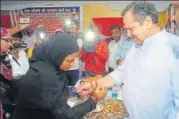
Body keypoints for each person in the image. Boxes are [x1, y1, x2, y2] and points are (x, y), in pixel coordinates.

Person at [77, 1, 179, 119]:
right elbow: (121, 73)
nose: (128, 35)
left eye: (131, 29)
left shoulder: (174, 48)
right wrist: (95, 84)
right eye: (126, 30)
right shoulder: (137, 46)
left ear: (147, 22)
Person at [12, 33, 106, 119]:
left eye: (74, 60)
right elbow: (65, 115)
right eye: (69, 61)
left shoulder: (47, 65)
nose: (72, 64)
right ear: (57, 55)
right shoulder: (46, 77)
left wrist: (76, 93)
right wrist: (94, 99)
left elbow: (53, 96)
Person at [67, 20, 83, 86]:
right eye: (71, 28)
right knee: (65, 89)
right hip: (65, 68)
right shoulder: (65, 39)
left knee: (74, 89)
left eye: (74, 28)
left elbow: (78, 54)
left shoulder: (79, 40)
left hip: (74, 68)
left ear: (77, 29)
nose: (73, 30)